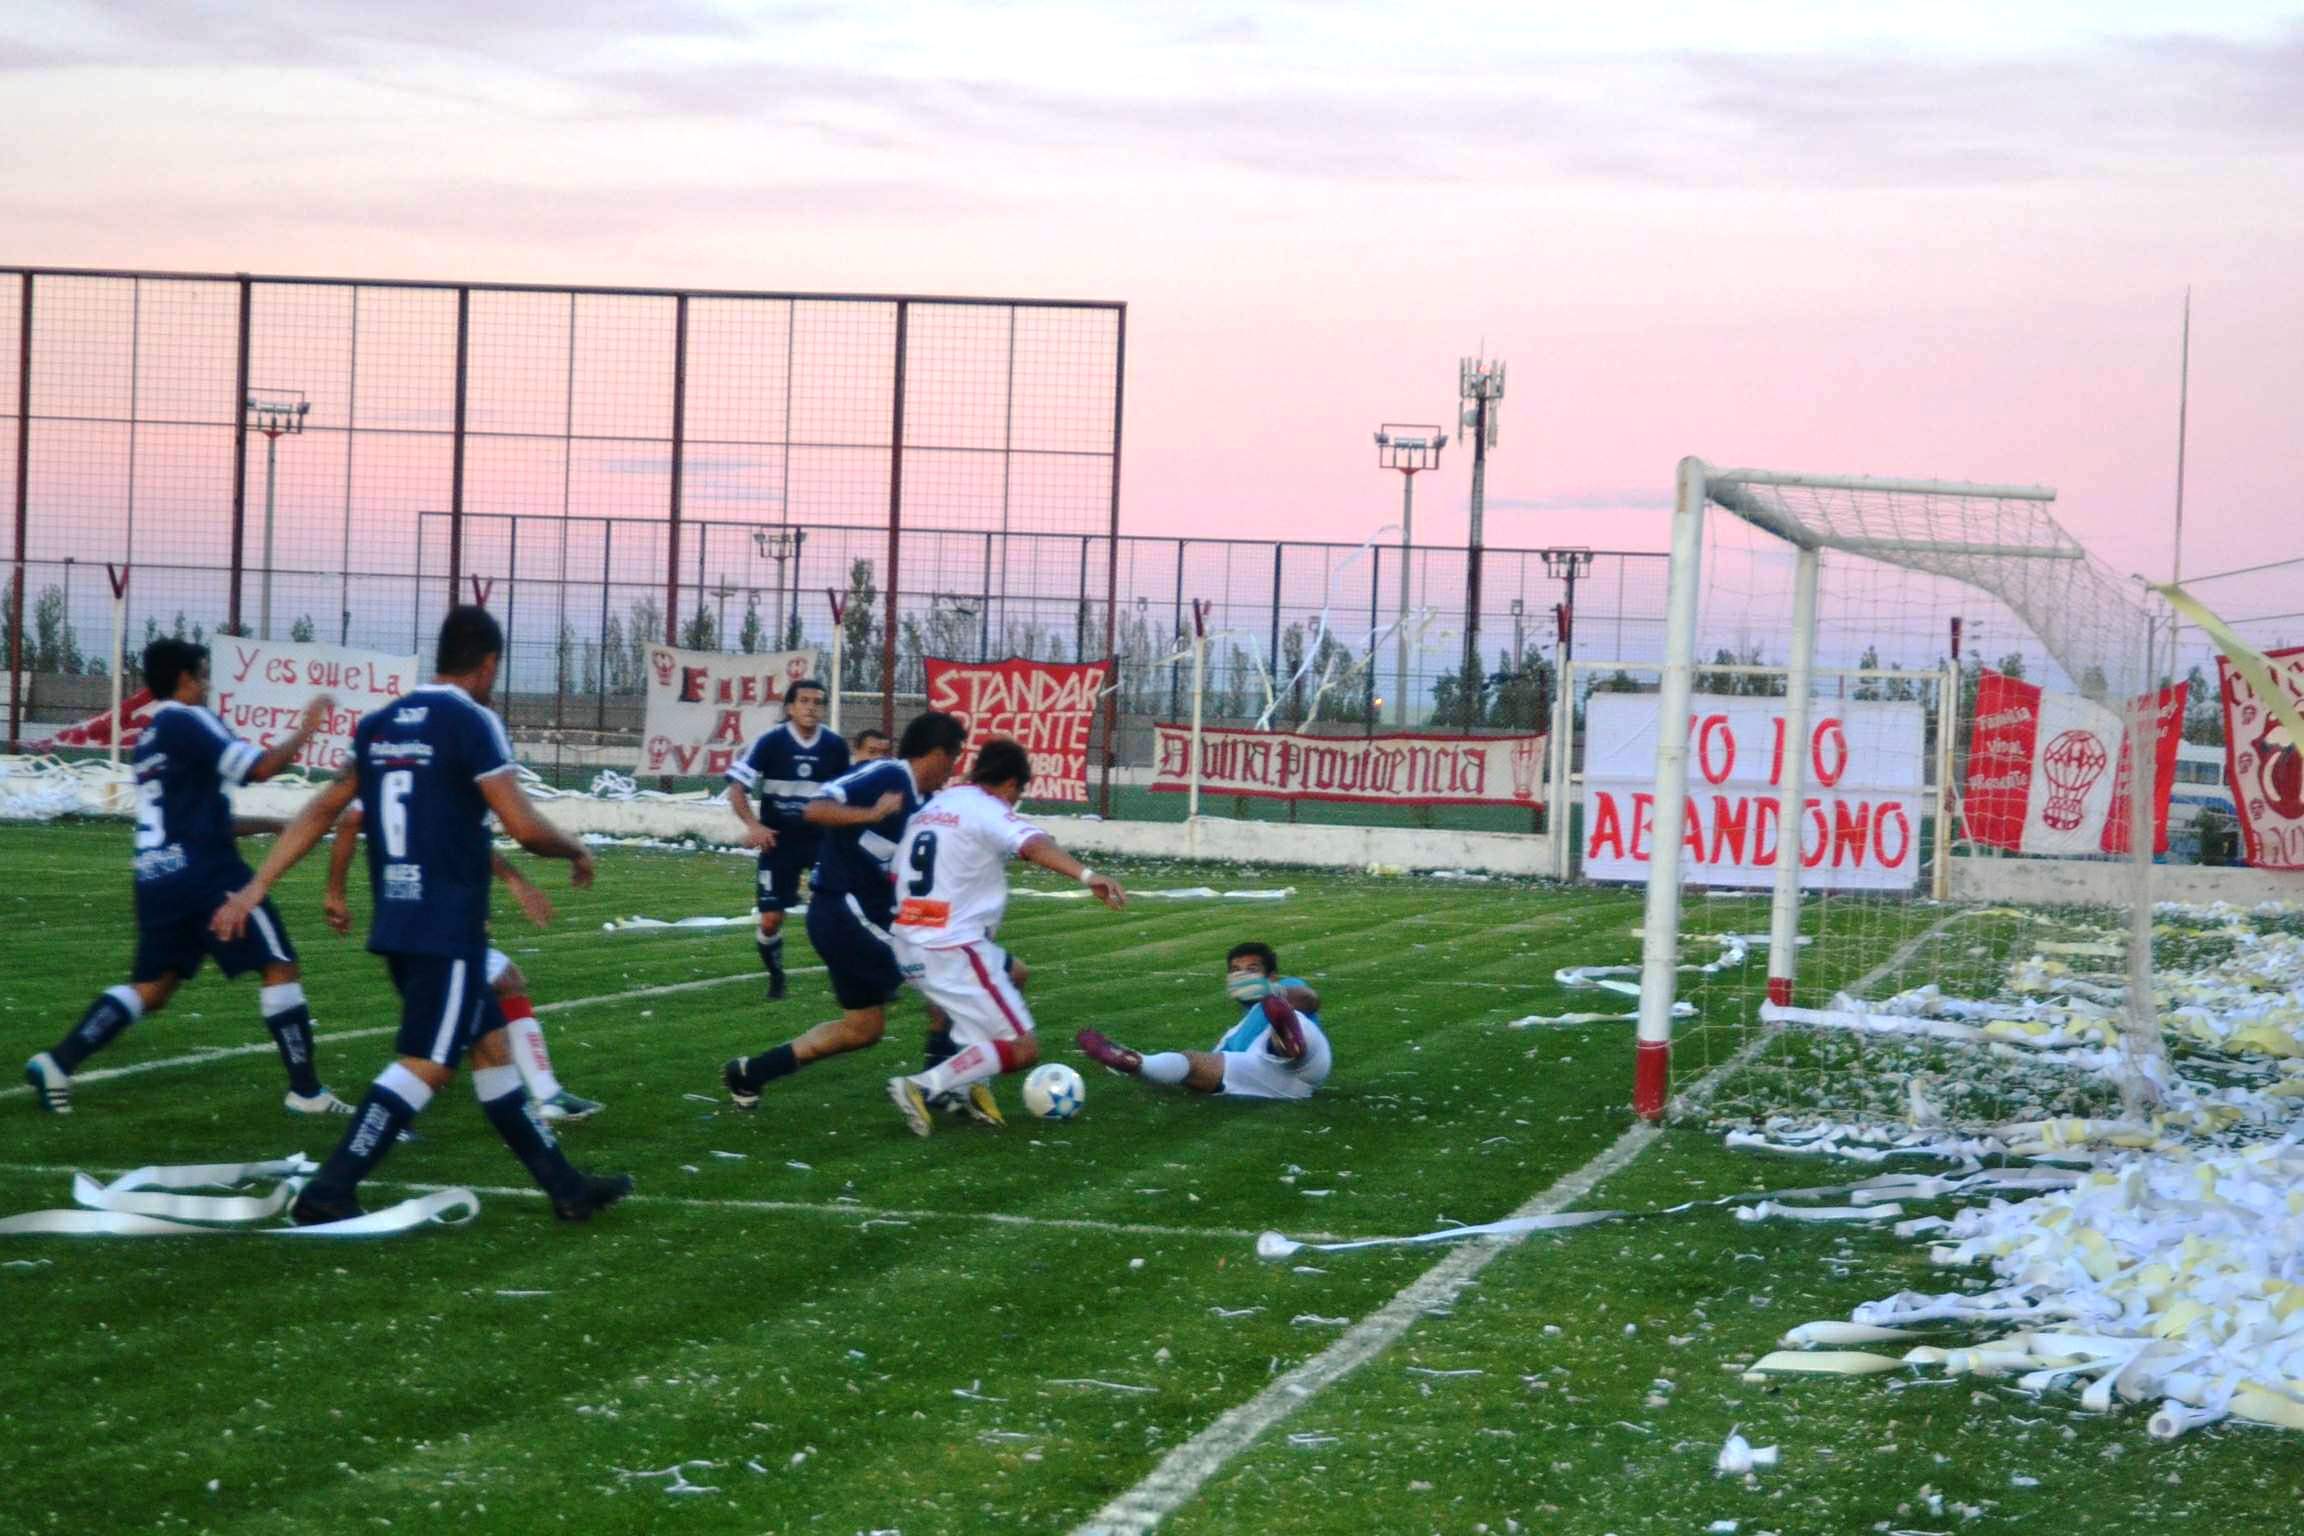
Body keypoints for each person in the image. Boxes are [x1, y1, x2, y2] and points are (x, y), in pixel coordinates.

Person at [212, 605, 631, 1226]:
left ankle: (566, 1187)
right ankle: (330, 1189)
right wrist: (573, 847)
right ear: (489, 663)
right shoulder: (474, 722)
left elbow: (323, 809)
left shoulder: (381, 723)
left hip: (399, 921)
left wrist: (255, 887)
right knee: (427, 1065)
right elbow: (519, 822)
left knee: (490, 1049)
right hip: (449, 926)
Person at [24, 637, 347, 1118]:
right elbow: (259, 768)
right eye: (202, 674)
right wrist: (306, 730)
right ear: (184, 679)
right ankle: (306, 1091)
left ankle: (58, 1061)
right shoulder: (188, 719)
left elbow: (194, 819)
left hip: (156, 879)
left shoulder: (150, 738)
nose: (208, 684)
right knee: (278, 964)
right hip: (207, 877)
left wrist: (274, 825)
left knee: (153, 988)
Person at [721, 711, 966, 1108]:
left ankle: (750, 1073)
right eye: (954, 757)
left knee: (862, 1029)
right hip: (843, 910)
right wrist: (870, 813)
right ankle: (937, 1086)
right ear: (937, 753)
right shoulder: (886, 776)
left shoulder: (928, 803)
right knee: (944, 975)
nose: (954, 768)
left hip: (862, 918)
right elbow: (815, 808)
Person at [884, 738, 1125, 1136]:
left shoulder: (935, 808)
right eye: (1017, 794)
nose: (1014, 803)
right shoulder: (986, 807)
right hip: (953, 946)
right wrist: (1087, 876)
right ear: (1011, 783)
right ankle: (921, 1086)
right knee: (1022, 1047)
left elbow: (896, 877)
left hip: (912, 943)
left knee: (1015, 975)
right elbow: (1032, 844)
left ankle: (968, 1085)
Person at [323, 803, 603, 1122]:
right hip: (431, 919)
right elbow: (352, 817)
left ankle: (546, 1102)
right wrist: (570, 853)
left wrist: (512, 881)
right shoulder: (436, 769)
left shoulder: (410, 768)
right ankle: (385, 1123)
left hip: (421, 916)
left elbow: (464, 839)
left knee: (495, 998)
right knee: (436, 1051)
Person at [1077, 941, 1331, 1101]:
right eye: (1235, 970)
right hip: (1264, 1078)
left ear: (1272, 977)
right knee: (1193, 1061)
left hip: (1307, 1060)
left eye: (1251, 970)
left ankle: (1284, 1038)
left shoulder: (1286, 987)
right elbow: (1202, 1074)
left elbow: (1310, 999)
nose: (1241, 976)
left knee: (1287, 1021)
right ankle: (1138, 1061)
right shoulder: (1231, 1039)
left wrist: (1270, 993)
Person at [723, 678, 849, 1000]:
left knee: (833, 911)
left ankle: (848, 978)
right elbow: (736, 787)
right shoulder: (770, 742)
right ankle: (776, 977)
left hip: (821, 841)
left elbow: (847, 794)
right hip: (778, 841)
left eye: (817, 702)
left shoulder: (834, 746)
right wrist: (754, 826)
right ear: (790, 707)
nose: (811, 707)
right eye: (804, 700)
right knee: (770, 920)